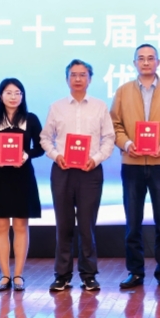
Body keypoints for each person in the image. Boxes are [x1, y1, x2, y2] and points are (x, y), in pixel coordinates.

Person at [110, 44, 160, 289]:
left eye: (150, 58)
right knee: (133, 223)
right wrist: (127, 144)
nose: (146, 62)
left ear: (158, 62)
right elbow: (114, 125)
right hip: (132, 164)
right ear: (134, 63)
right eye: (141, 58)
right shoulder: (123, 91)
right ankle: (135, 272)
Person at [41, 59, 115, 292]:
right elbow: (45, 138)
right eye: (73, 75)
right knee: (63, 225)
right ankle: (62, 275)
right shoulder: (56, 107)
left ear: (90, 79)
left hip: (90, 171)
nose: (78, 79)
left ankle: (88, 274)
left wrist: (97, 158)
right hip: (62, 171)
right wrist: (56, 156)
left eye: (83, 75)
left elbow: (109, 138)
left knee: (86, 225)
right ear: (67, 79)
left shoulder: (100, 106)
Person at [0, 78, 44, 292]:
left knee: (21, 226)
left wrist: (26, 154)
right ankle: (5, 275)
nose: (13, 97)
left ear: (22, 96)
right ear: (1, 96)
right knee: (0, 226)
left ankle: (18, 275)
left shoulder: (31, 119)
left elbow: (41, 147)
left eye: (18, 93)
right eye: (9, 92)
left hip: (22, 176)